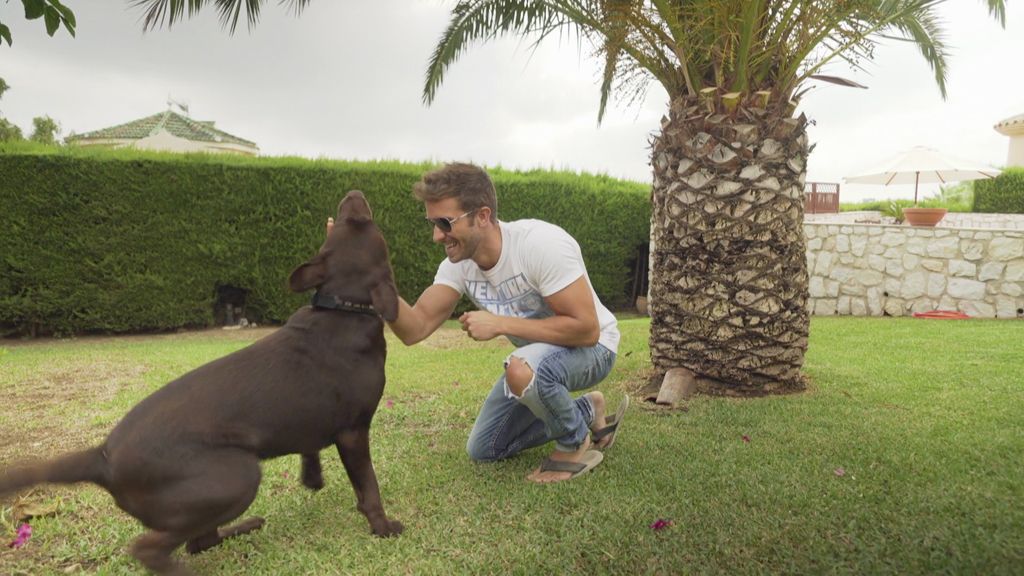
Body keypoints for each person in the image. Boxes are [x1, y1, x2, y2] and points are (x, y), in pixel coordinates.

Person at [329, 163, 625, 483]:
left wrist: (501, 323)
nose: (436, 235)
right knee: (485, 447)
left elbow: (586, 329)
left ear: (482, 216)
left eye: (445, 222)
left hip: (594, 349)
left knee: (520, 367)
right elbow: (415, 328)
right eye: (432, 223)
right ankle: (586, 410)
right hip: (534, 362)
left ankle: (572, 441)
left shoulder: (540, 244)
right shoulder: (458, 266)